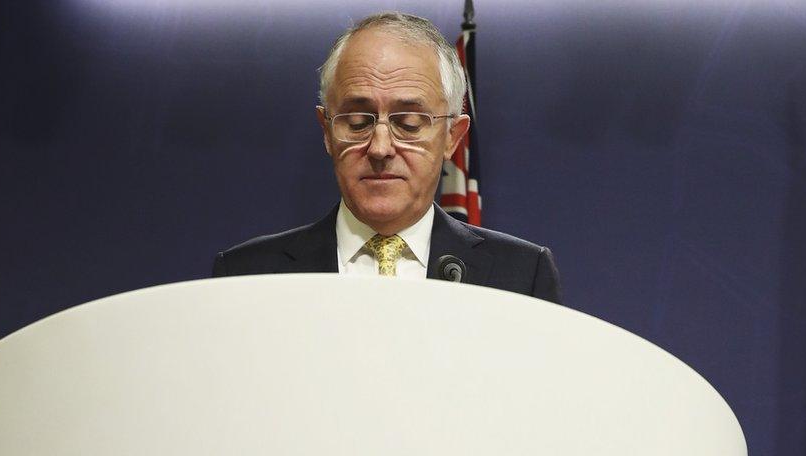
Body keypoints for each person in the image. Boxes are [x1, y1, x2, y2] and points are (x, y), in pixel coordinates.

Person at [212, 12, 561, 304]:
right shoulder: (247, 276)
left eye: (409, 124)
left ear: (452, 138)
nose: (380, 148)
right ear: (327, 131)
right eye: (358, 122)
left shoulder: (519, 277)